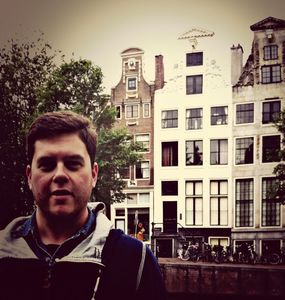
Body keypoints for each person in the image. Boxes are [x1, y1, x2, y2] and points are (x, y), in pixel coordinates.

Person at [0, 111, 166, 300]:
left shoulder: (137, 261)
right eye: (47, 165)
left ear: (94, 174)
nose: (60, 175)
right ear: (29, 177)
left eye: (72, 164)